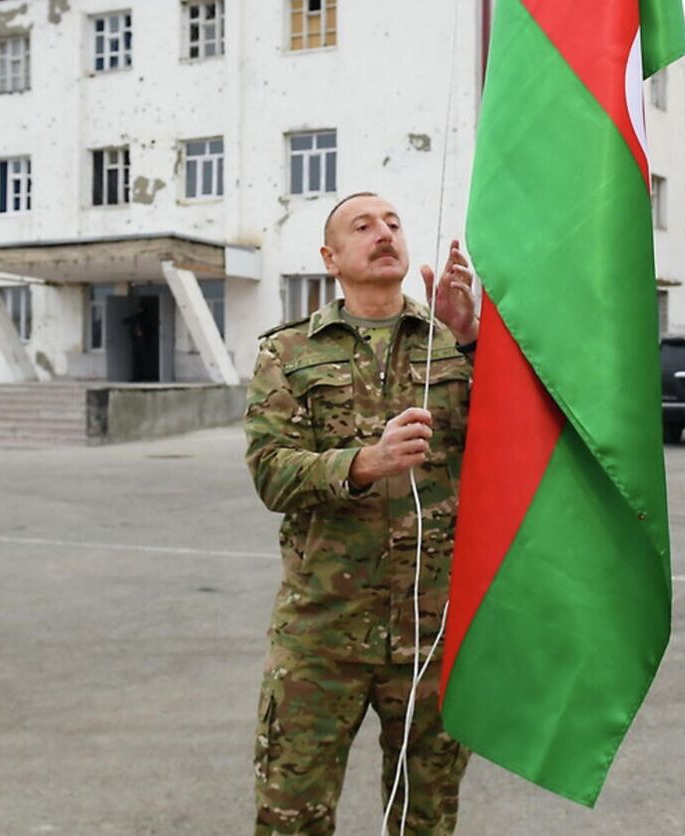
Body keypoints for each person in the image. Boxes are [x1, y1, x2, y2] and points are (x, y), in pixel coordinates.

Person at [244, 192, 480, 834]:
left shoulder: (454, 344)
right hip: (321, 633)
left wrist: (473, 341)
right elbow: (271, 470)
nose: (385, 233)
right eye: (364, 225)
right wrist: (361, 463)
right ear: (330, 257)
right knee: (291, 814)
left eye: (395, 224)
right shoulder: (288, 353)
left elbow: (512, 448)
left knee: (425, 817)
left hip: (430, 630)